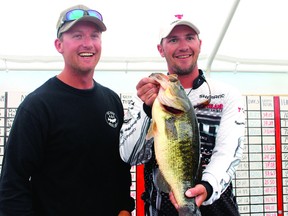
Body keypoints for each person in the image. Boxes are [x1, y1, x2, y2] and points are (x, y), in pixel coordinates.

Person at [0, 4, 135, 216]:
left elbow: (119, 167)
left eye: (95, 35)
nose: (88, 43)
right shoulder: (37, 106)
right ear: (59, 44)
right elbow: (12, 183)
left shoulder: (111, 101)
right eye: (77, 35)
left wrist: (125, 207)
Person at [120, 14, 245, 215]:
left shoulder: (228, 95)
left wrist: (207, 186)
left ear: (200, 44)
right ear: (161, 49)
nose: (183, 46)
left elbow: (228, 152)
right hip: (161, 209)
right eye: (173, 40)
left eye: (189, 37)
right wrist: (147, 111)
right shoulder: (144, 96)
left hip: (219, 208)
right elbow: (130, 156)